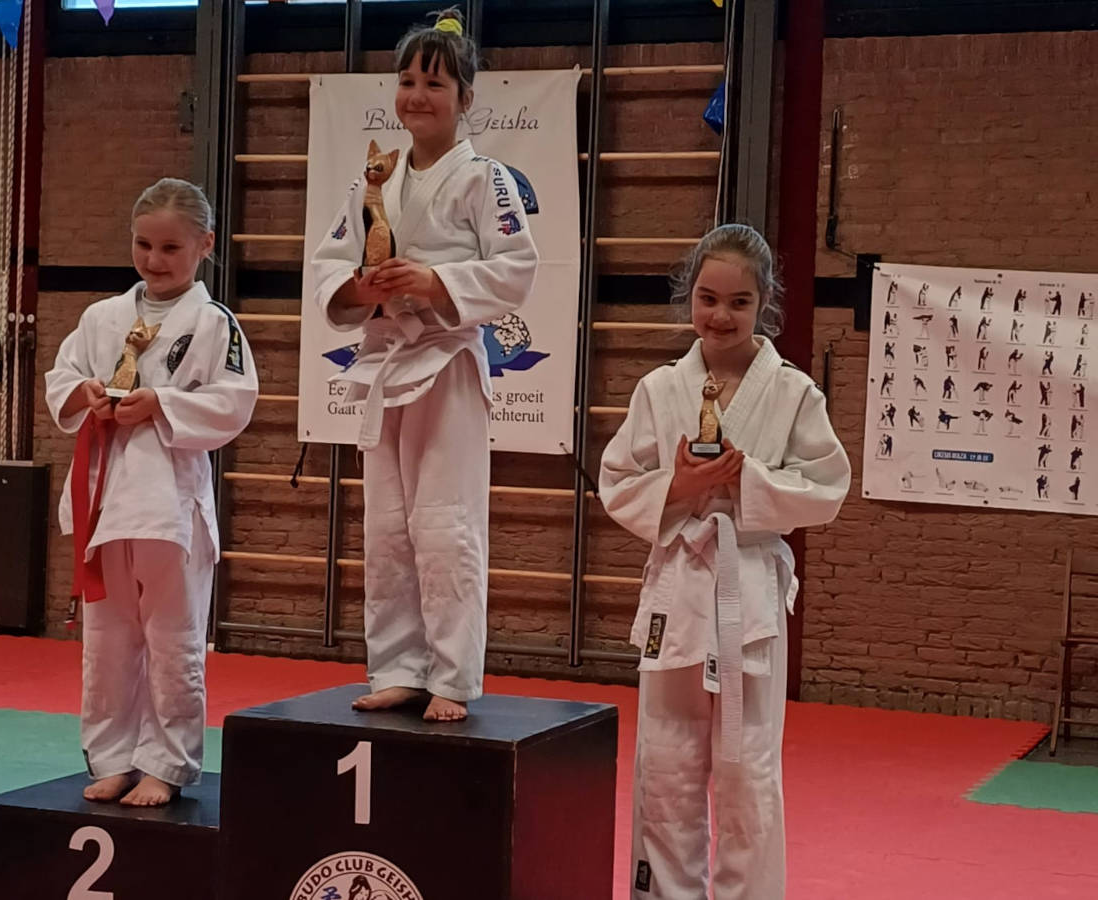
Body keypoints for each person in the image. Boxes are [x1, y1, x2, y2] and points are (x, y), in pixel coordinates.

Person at [599, 224, 850, 899]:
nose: (720, 315)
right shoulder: (659, 389)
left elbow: (827, 487)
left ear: (763, 302)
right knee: (667, 764)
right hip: (679, 586)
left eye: (739, 302)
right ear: (690, 297)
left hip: (748, 594)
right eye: (707, 298)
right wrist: (678, 486)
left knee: (747, 771)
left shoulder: (793, 393)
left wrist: (749, 482)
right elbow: (617, 481)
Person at [308, 7, 538, 722]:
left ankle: (452, 675)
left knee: (445, 523)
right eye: (407, 81)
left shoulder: (486, 179)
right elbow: (329, 265)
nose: (417, 95)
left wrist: (434, 282)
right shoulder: (372, 182)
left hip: (446, 362)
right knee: (386, 527)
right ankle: (398, 666)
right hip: (387, 358)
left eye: (435, 84)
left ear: (466, 98)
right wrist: (360, 288)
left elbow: (516, 268)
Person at [45, 178, 258, 805]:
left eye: (170, 248)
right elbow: (62, 375)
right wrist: (83, 394)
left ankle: (167, 760)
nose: (154, 259)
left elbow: (235, 401)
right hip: (104, 496)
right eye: (143, 245)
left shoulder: (214, 324)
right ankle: (112, 756)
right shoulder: (101, 318)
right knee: (107, 641)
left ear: (205, 246)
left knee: (173, 640)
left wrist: (161, 404)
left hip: (170, 503)